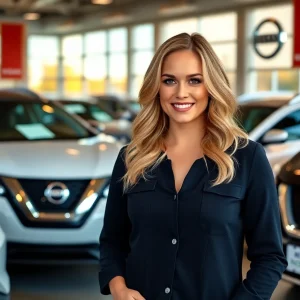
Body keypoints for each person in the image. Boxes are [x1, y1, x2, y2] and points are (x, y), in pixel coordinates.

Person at [98, 33, 287, 300]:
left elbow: (270, 257)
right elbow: (112, 243)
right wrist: (119, 288)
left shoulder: (248, 158)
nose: (181, 92)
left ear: (211, 86)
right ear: (156, 86)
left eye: (194, 80)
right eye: (169, 81)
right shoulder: (131, 159)